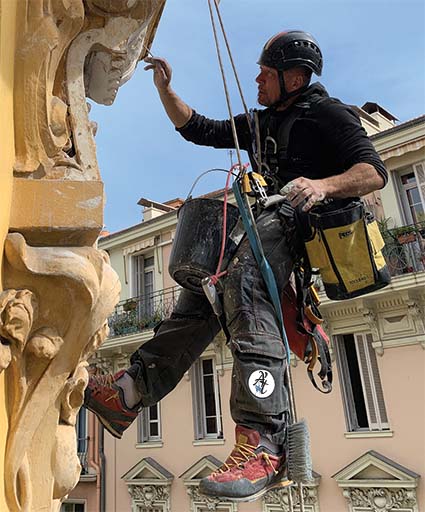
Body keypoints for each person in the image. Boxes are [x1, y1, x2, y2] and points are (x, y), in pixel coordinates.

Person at [84, 31, 387, 501]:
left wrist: (322, 186)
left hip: (298, 222)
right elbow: (198, 128)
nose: (257, 79)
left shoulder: (329, 115)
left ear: (295, 77)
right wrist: (166, 89)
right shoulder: (261, 122)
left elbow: (374, 171)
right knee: (202, 293)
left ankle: (263, 440)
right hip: (261, 219)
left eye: (266, 73)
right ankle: (127, 393)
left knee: (244, 282)